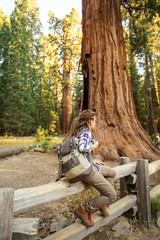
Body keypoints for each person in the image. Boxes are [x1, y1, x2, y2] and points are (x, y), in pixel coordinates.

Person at [69, 109, 117, 227]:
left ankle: (102, 203)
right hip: (88, 172)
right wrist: (94, 146)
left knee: (112, 172)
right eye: (95, 121)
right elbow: (82, 148)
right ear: (90, 121)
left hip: (90, 166)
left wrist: (94, 161)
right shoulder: (86, 132)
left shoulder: (81, 132)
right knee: (112, 195)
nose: (95, 123)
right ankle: (84, 209)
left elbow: (80, 154)